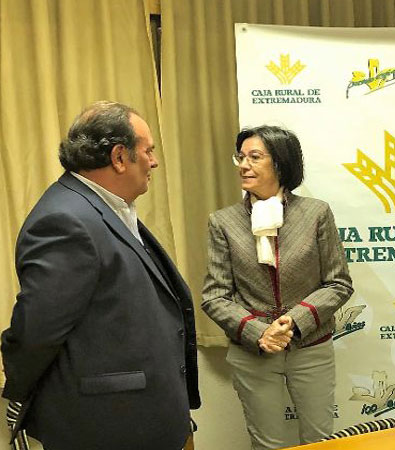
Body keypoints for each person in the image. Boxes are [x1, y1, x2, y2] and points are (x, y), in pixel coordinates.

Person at [1, 101, 201, 450]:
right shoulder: (66, 220)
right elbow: (36, 331)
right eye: (148, 151)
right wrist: (18, 393)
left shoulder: (103, 208)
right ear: (120, 157)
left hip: (140, 417)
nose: (154, 161)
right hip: (109, 425)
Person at [202, 125, 353, 449]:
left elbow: (338, 282)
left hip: (311, 345)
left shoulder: (316, 213)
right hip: (252, 350)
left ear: (281, 163)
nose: (244, 165)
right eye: (241, 157)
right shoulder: (223, 221)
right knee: (267, 444)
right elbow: (215, 296)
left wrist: (294, 320)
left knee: (321, 442)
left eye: (255, 157)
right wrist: (260, 333)